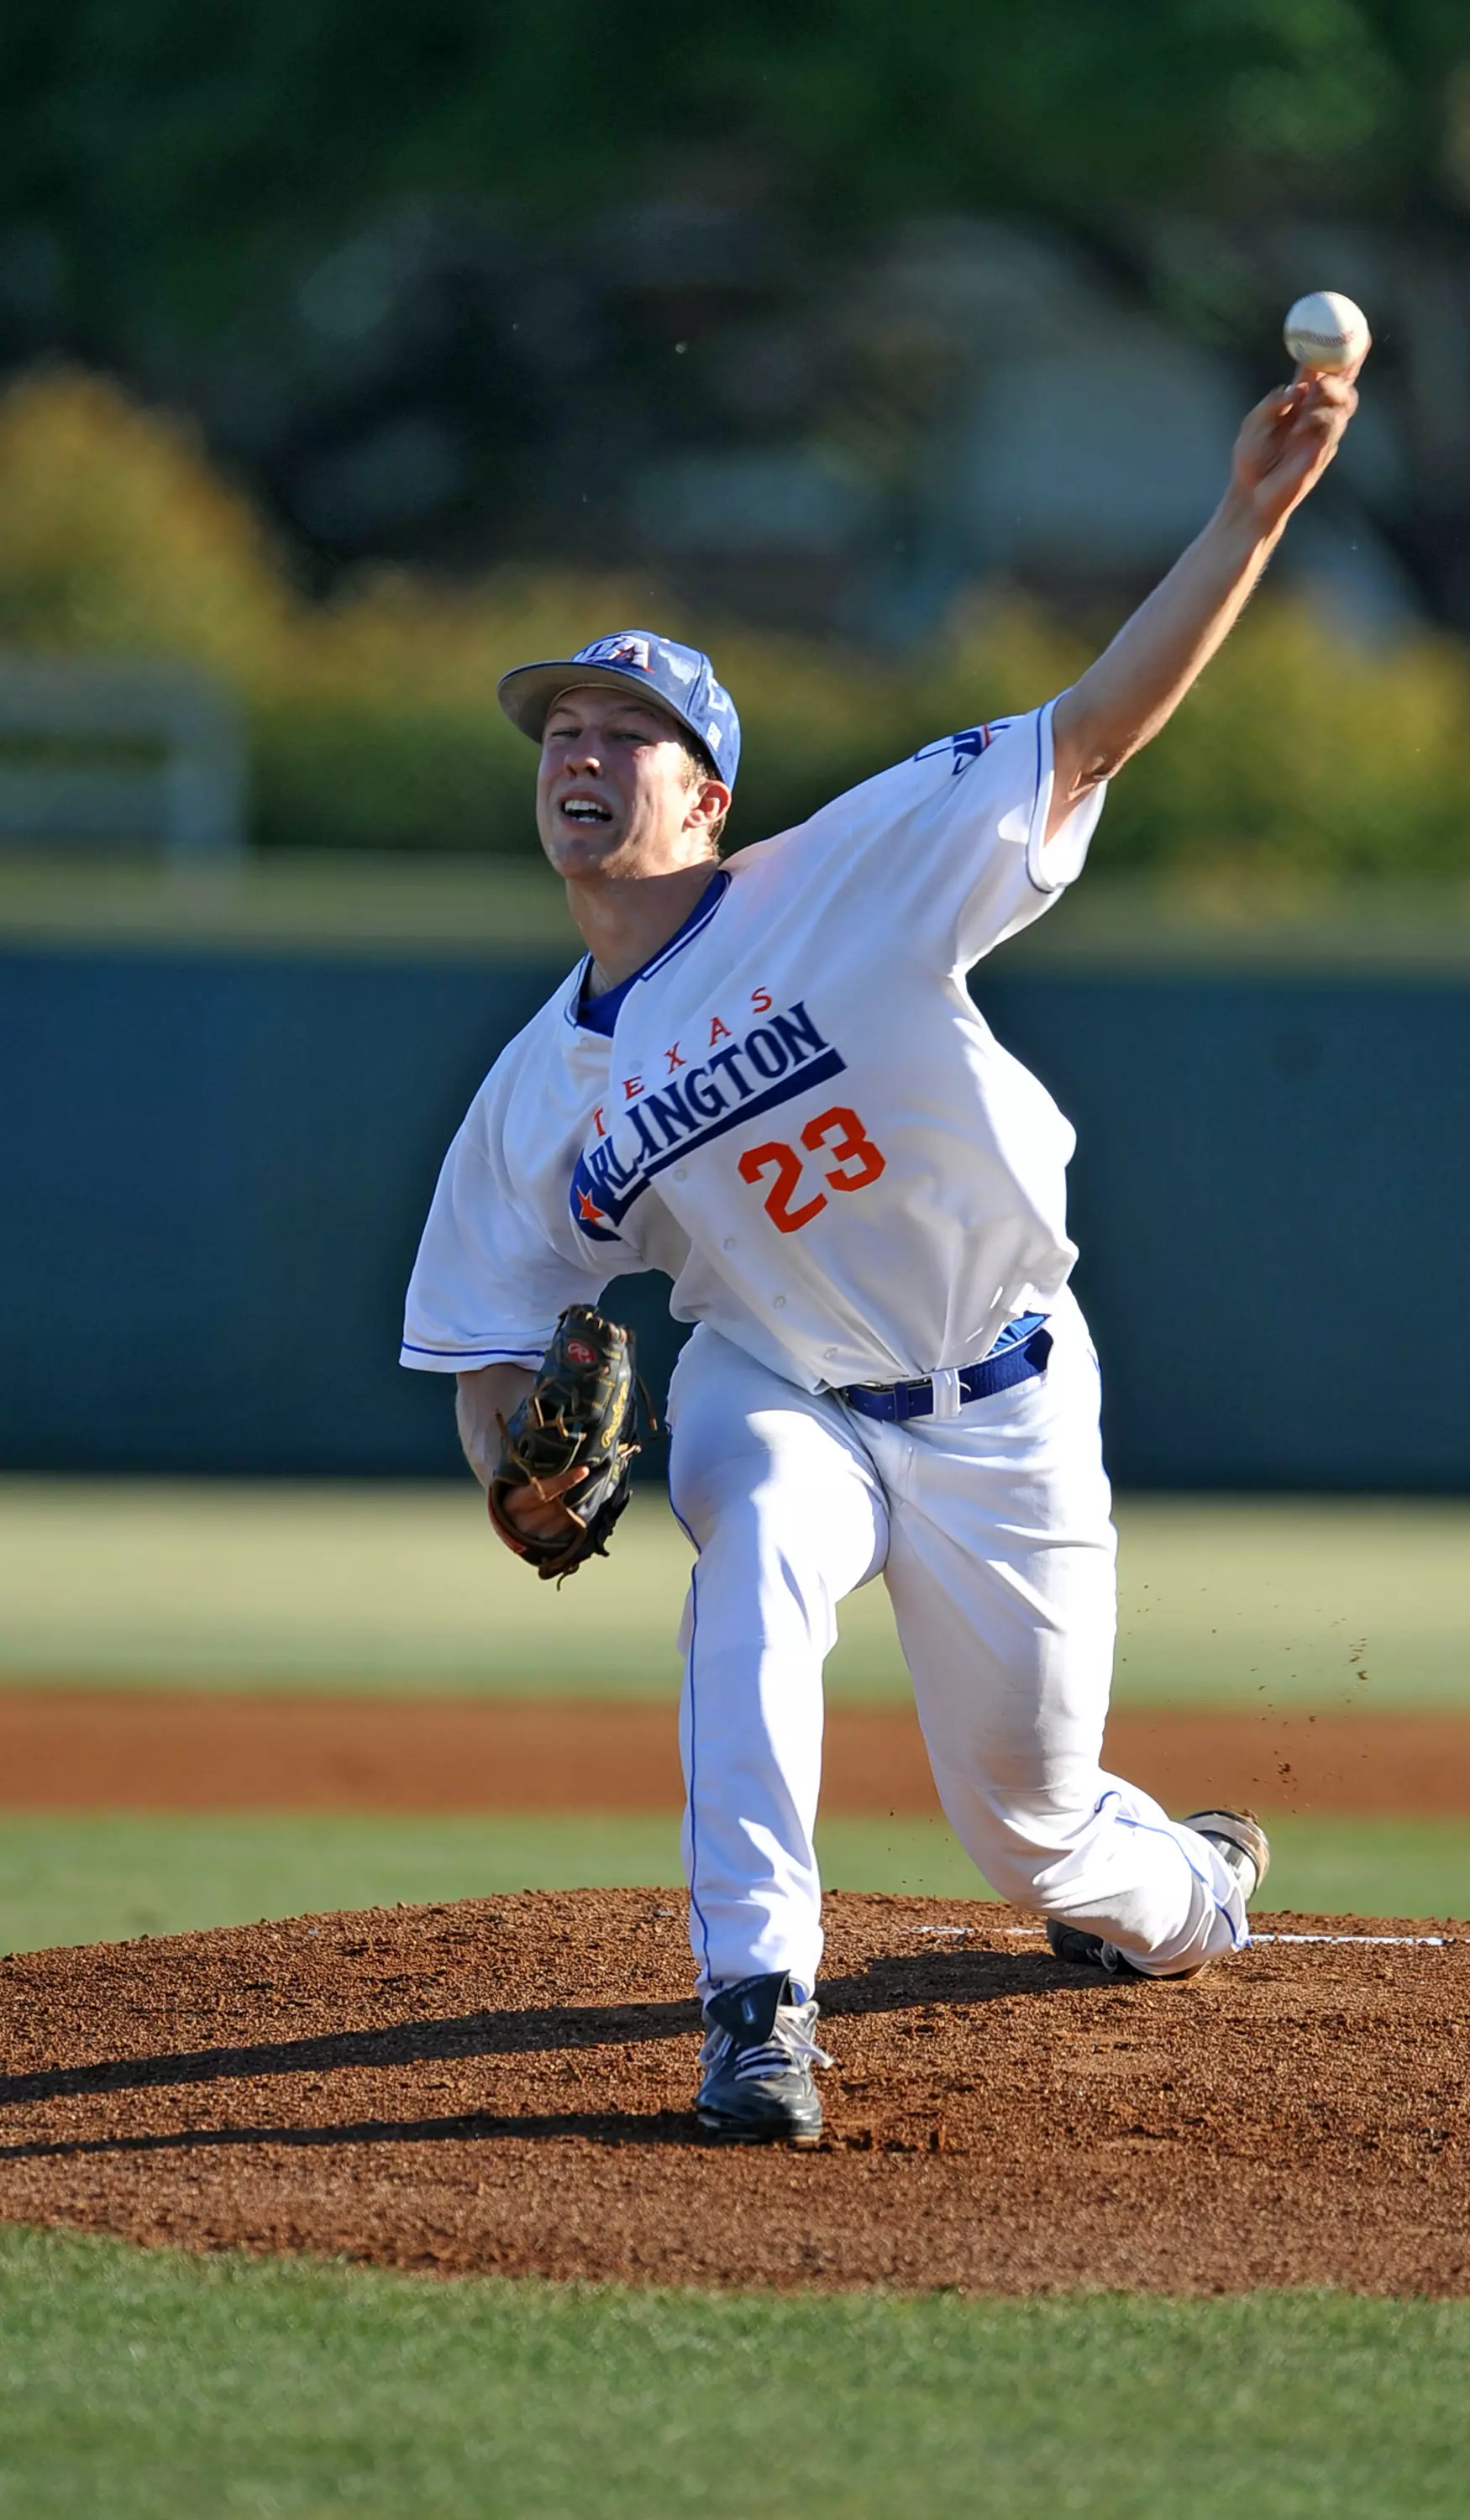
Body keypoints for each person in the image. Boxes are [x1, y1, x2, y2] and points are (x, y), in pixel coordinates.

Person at [402, 352, 1362, 2142]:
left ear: (709, 797)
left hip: (1003, 1391)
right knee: (753, 1546)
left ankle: (1188, 1885)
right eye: (558, 735)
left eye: (626, 735)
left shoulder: (847, 873)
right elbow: (484, 1341)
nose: (581, 757)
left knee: (1040, 1835)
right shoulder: (536, 1092)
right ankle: (757, 2005)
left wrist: (1251, 514)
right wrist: (512, 1478)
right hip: (780, 1384)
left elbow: (1092, 727)